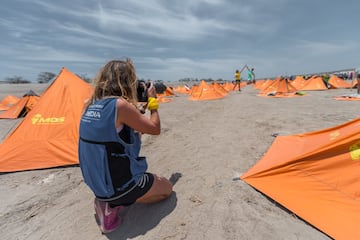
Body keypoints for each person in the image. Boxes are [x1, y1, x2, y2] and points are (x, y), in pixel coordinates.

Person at [78, 59, 173, 233]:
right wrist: (153, 102)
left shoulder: (90, 104)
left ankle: (106, 200)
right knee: (166, 188)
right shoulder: (119, 105)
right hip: (119, 186)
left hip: (97, 182)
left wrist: (138, 110)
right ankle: (112, 205)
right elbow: (155, 129)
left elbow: (120, 128)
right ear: (127, 81)